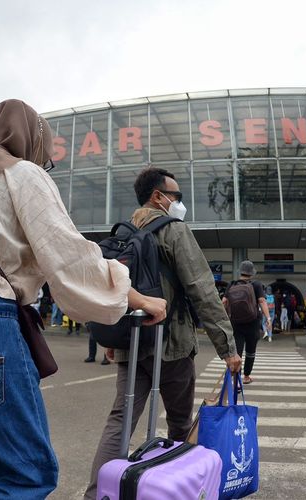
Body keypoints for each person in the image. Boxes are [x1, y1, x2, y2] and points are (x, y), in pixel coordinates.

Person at [0, 100, 167, 499]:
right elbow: (69, 257)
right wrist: (139, 298)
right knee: (29, 475)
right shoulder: (23, 174)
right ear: (32, 140)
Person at [84, 167, 241, 500]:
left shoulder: (124, 233)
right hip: (172, 343)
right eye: (177, 196)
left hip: (130, 340)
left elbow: (110, 289)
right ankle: (176, 487)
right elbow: (202, 289)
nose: (179, 203)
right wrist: (227, 348)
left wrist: (111, 340)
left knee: (120, 421)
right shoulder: (174, 230)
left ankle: (98, 493)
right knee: (180, 422)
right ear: (158, 197)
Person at [221, 260, 267, 387]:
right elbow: (262, 301)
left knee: (237, 352)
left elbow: (224, 302)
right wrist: (268, 319)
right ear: (251, 273)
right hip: (253, 322)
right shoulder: (256, 284)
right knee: (251, 351)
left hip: (236, 323)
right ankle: (246, 376)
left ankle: (236, 381)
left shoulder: (232, 284)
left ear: (240, 271)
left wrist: (223, 318)